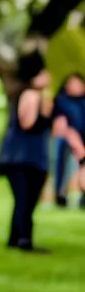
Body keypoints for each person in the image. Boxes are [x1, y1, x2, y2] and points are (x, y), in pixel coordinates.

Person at [0, 53, 85, 251]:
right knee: (26, 199)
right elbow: (28, 123)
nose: (48, 76)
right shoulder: (30, 95)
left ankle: (15, 238)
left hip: (22, 156)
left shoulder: (29, 94)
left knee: (23, 199)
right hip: (24, 157)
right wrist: (50, 121)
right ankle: (24, 241)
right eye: (44, 72)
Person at [51, 71, 85, 208]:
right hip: (67, 138)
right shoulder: (61, 100)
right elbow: (59, 124)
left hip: (83, 138)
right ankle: (61, 194)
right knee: (64, 160)